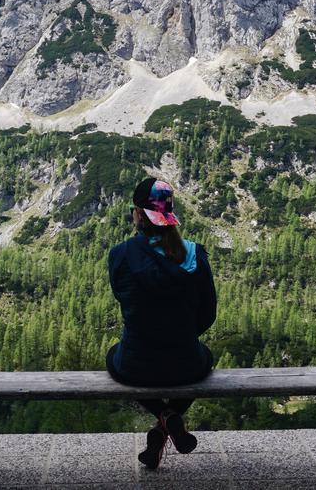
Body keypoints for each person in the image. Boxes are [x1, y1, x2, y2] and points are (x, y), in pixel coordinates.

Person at [106, 177, 217, 470]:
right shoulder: (196, 255)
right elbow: (208, 314)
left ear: (139, 215)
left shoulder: (121, 255)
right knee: (205, 359)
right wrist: (179, 335)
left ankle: (164, 419)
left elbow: (123, 299)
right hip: (186, 363)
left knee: (113, 357)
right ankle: (169, 419)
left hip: (137, 365)